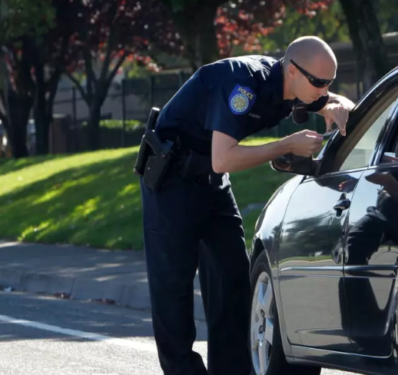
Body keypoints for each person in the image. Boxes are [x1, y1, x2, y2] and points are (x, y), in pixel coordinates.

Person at [137, 36, 355, 375]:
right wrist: (287, 145)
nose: (323, 89)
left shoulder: (294, 86)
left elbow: (329, 101)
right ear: (293, 71)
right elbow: (223, 158)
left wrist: (336, 104)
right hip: (172, 181)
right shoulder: (244, 85)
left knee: (233, 282)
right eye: (319, 82)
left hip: (210, 183)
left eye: (330, 82)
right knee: (173, 291)